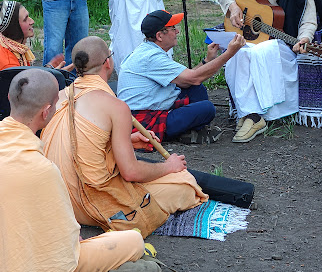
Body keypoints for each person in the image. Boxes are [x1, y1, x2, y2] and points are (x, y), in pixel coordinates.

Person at [0, 69, 147, 272]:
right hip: (7, 263)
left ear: (10, 97)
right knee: (133, 241)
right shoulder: (40, 169)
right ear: (46, 113)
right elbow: (66, 248)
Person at [42, 36, 208, 237]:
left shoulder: (59, 96)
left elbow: (77, 144)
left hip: (59, 201)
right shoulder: (115, 106)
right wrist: (169, 166)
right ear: (108, 63)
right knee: (185, 183)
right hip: (93, 204)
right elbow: (130, 172)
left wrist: (128, 140)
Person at [217, 0, 322, 143]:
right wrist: (233, 7)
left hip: (285, 46)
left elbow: (309, 20)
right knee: (238, 51)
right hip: (260, 42)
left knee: (260, 51)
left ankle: (253, 116)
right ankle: (251, 114)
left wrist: (304, 38)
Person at [118, 10, 246, 143]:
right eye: (173, 28)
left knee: (196, 89)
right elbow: (193, 77)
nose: (177, 31)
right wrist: (230, 53)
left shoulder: (149, 51)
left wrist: (207, 61)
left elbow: (185, 80)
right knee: (207, 108)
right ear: (160, 36)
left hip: (145, 111)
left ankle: (189, 131)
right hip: (143, 122)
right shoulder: (152, 57)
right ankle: (183, 132)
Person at [0, 0, 66, 75]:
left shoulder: (6, 45)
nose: (32, 21)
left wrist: (48, 69)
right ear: (14, 28)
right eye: (25, 19)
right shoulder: (9, 66)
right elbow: (28, 88)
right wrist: (54, 76)